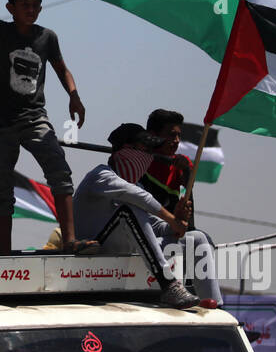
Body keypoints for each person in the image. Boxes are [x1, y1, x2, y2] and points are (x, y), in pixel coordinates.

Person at [0, 0, 86, 254]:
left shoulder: (47, 37)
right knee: (1, 187)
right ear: (11, 8)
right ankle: (5, 253)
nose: (30, 9)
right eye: (24, 4)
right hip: (0, 121)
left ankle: (69, 240)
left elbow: (62, 68)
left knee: (59, 169)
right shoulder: (0, 30)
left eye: (35, 4)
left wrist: (74, 95)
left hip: (35, 116)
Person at [72, 123, 208, 308]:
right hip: (99, 251)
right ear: (125, 150)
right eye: (144, 148)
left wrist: (176, 225)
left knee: (197, 239)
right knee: (131, 210)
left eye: (151, 150)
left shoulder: (138, 186)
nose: (148, 156)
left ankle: (214, 304)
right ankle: (169, 285)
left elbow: (156, 227)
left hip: (136, 251)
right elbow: (140, 198)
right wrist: (172, 220)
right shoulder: (100, 175)